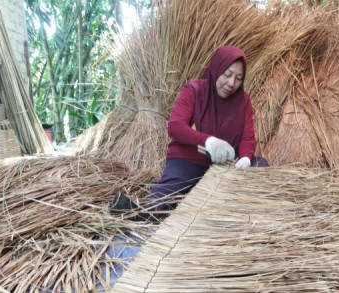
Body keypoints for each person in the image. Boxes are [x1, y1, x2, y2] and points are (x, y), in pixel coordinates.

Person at [110, 45, 268, 222]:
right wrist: (208, 141)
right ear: (217, 68)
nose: (232, 83)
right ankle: (139, 213)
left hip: (227, 165)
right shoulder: (194, 90)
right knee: (168, 193)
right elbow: (175, 126)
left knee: (260, 165)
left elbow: (248, 137)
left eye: (239, 78)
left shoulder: (243, 100)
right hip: (191, 158)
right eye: (227, 74)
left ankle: (232, 211)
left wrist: (245, 158)